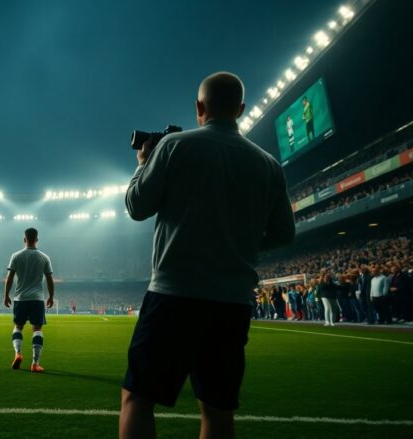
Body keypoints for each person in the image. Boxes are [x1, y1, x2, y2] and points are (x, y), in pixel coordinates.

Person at [120, 72, 295, 439]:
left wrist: (142, 162)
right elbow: (284, 233)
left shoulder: (174, 146)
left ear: (199, 107)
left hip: (174, 295)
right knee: (217, 411)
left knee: (138, 399)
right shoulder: (268, 164)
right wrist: (239, 242)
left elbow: (136, 207)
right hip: (232, 304)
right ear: (242, 110)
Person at [3, 227, 54, 373]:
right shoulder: (44, 257)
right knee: (37, 329)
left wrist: (6, 295)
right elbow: (49, 279)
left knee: (18, 327)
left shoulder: (16, 256)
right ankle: (35, 364)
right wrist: (51, 296)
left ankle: (18, 353)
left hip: (20, 298)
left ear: (24, 239)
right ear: (37, 240)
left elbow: (10, 278)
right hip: (37, 299)